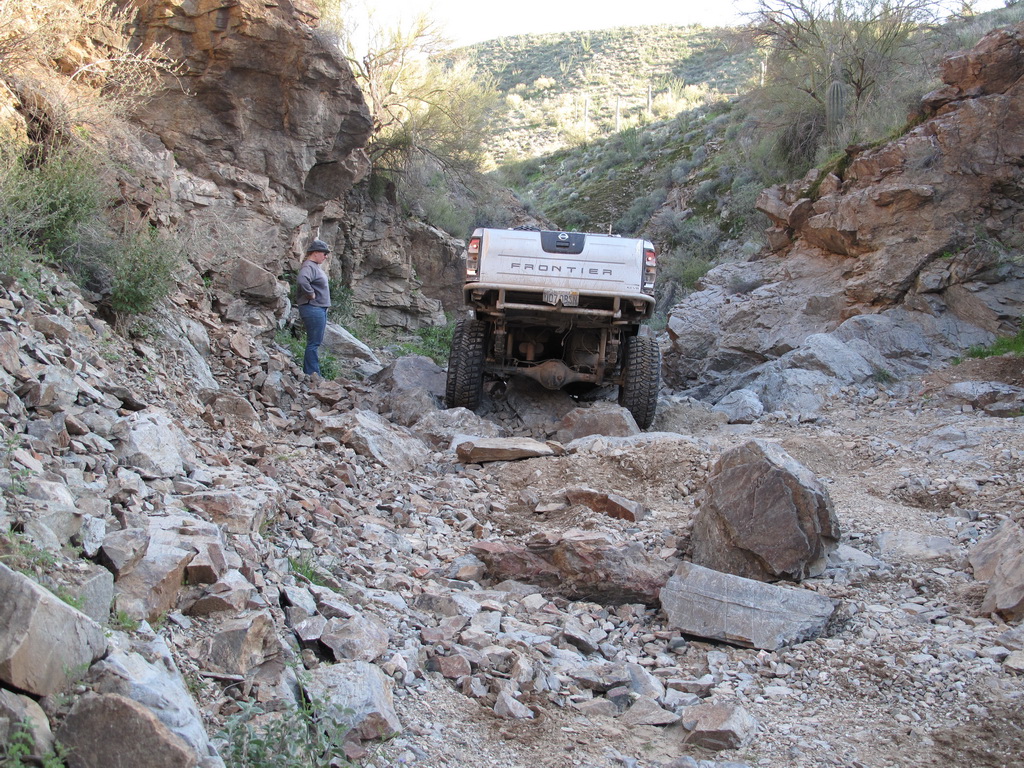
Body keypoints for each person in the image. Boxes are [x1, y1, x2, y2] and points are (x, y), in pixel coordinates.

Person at [296, 238, 332, 377]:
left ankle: (311, 373)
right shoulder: (308, 266)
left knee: (314, 342)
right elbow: (302, 280)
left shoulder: (314, 266)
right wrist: (310, 294)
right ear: (315, 252)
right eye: (324, 253)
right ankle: (312, 374)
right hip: (313, 308)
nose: (326, 256)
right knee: (314, 343)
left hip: (317, 308)